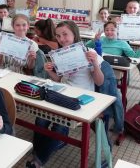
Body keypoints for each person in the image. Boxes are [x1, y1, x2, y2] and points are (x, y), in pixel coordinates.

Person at [27, 21, 104, 168]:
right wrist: (49, 71)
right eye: (58, 35)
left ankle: (38, 160)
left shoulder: (88, 53)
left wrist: (94, 63)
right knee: (40, 120)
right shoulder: (59, 55)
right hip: (62, 93)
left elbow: (99, 82)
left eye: (65, 35)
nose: (61, 39)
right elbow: (60, 80)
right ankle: (44, 149)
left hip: (80, 99)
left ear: (74, 34)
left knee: (59, 126)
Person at [86, 21, 140, 86]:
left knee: (106, 84)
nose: (109, 32)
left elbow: (134, 57)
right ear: (104, 31)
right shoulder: (100, 39)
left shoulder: (122, 42)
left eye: (112, 30)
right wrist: (95, 40)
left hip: (113, 70)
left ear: (118, 31)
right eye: (106, 30)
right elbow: (86, 46)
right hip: (97, 67)